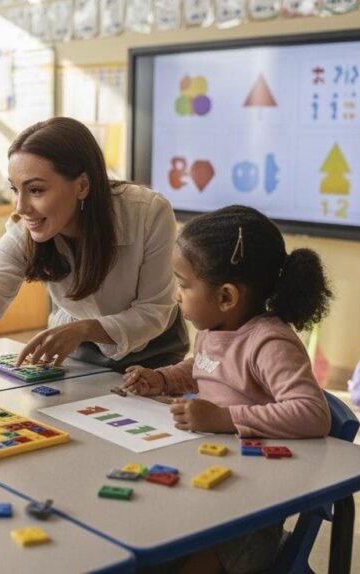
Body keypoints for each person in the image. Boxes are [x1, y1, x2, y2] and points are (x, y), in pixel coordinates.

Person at [0, 117, 187, 411]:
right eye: (15, 189)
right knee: (76, 420)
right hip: (77, 346)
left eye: (35, 190)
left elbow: (153, 311)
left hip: (153, 350)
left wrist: (84, 330)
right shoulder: (27, 230)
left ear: (82, 184)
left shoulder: (148, 212)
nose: (21, 207)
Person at [121, 205, 333, 574]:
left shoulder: (269, 343)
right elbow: (205, 369)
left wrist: (224, 418)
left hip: (251, 515)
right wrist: (165, 379)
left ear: (226, 297)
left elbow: (313, 413)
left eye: (184, 285)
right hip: (206, 492)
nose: (176, 295)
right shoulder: (213, 331)